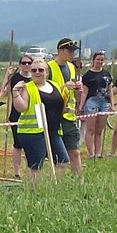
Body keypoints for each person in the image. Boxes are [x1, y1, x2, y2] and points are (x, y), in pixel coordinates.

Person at [11, 59, 69, 178]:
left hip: (54, 131)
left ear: (47, 72)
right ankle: (34, 188)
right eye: (34, 70)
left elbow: (59, 104)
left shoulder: (55, 85)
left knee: (63, 161)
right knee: (35, 166)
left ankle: (55, 186)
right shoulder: (27, 87)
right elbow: (21, 108)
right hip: (32, 132)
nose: (37, 72)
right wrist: (15, 92)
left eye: (41, 70)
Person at [48, 38, 84, 175]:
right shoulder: (48, 68)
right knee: (59, 157)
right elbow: (44, 90)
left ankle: (79, 180)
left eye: (73, 51)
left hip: (69, 116)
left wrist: (78, 88)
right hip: (54, 116)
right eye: (69, 51)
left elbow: (75, 95)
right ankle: (58, 181)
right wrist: (63, 87)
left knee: (75, 151)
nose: (72, 54)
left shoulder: (71, 67)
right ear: (60, 51)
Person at [0, 55, 34, 178]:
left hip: (31, 115)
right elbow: (4, 91)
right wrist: (7, 76)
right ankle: (17, 172)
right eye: (24, 63)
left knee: (31, 145)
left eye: (29, 63)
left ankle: (31, 170)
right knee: (18, 144)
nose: (26, 65)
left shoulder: (35, 77)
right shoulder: (15, 77)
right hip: (16, 115)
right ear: (20, 65)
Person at [80, 51, 112, 158]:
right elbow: (84, 92)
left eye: (102, 60)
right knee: (91, 129)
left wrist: (112, 104)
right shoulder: (87, 76)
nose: (100, 61)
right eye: (98, 59)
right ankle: (91, 153)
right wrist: (81, 106)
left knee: (99, 130)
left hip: (104, 102)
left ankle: (98, 153)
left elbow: (110, 90)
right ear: (93, 60)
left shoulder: (107, 74)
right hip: (91, 101)